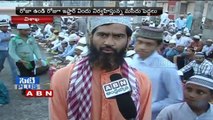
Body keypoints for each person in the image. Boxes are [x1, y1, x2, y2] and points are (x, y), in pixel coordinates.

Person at [49, 17, 152, 120]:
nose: (109, 42)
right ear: (90, 37)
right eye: (102, 35)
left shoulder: (141, 82)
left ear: (128, 41)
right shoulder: (63, 78)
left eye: (118, 36)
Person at [128, 26, 183, 120]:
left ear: (158, 46)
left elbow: (176, 99)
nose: (142, 47)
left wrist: (147, 107)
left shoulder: (167, 67)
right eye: (140, 42)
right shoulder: (132, 61)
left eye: (149, 44)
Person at [9, 24, 42, 93]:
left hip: (31, 60)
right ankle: (25, 91)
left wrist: (39, 58)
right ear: (19, 30)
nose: (28, 32)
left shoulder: (31, 38)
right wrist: (19, 59)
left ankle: (31, 89)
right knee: (24, 75)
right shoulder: (14, 40)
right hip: (21, 61)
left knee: (31, 74)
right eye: (25, 30)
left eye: (28, 30)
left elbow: (35, 49)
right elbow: (11, 52)